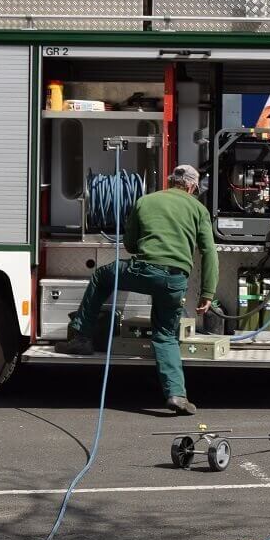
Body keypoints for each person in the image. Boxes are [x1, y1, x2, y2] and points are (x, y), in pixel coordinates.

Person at [57, 164, 218, 415]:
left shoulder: (145, 201)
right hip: (175, 281)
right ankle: (177, 395)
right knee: (165, 335)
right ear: (190, 186)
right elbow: (209, 252)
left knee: (102, 276)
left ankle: (81, 337)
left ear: (171, 182)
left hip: (143, 272)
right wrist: (207, 293)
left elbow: (131, 245)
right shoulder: (199, 209)